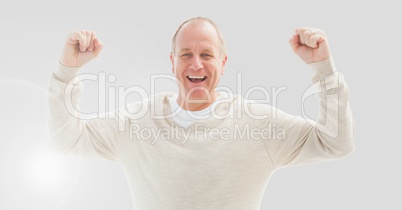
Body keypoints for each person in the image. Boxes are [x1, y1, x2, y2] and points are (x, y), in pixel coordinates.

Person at [48, 17, 354, 210]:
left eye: (206, 54)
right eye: (186, 55)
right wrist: (67, 70)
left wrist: (322, 68)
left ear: (222, 63)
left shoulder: (258, 124)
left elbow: (334, 143)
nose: (196, 64)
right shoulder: (136, 122)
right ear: (172, 62)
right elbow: (67, 140)